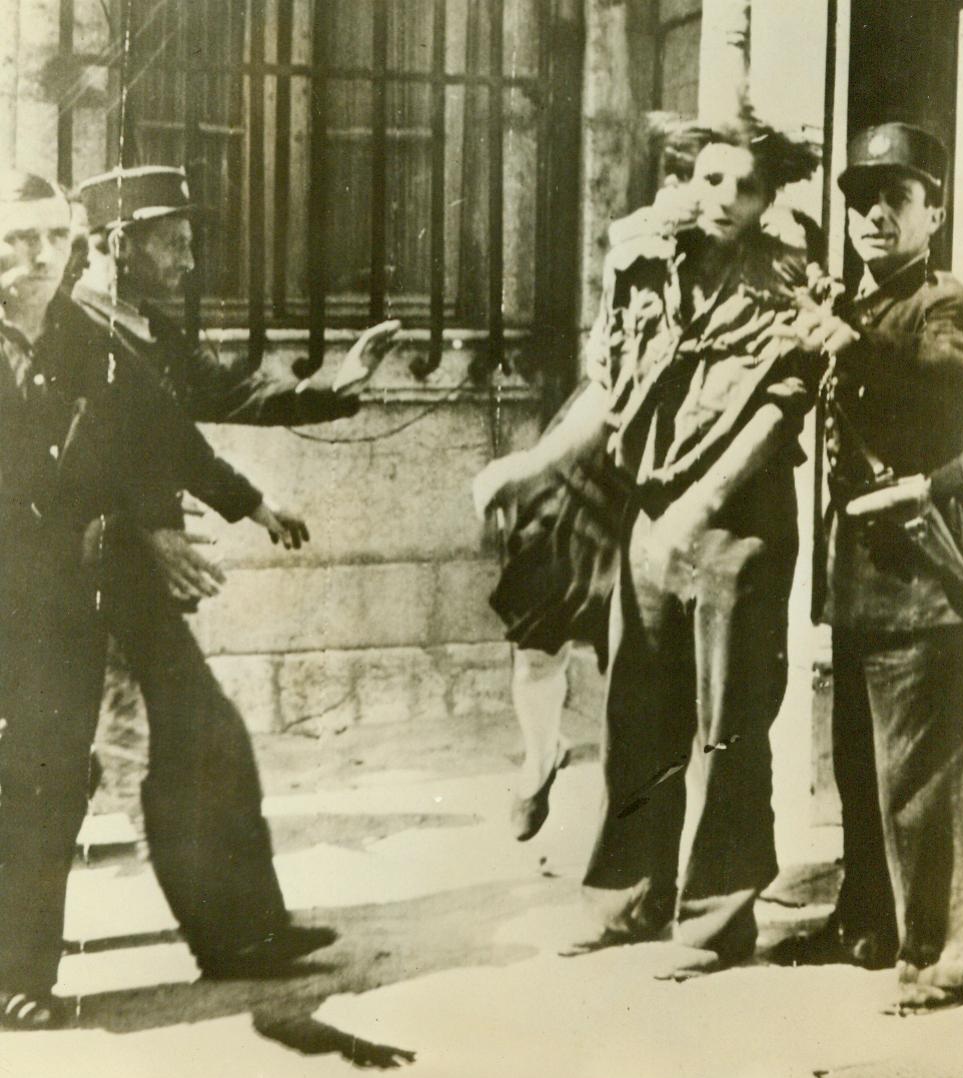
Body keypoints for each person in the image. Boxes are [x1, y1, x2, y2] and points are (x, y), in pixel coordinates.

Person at [478, 109, 822, 972]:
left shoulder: (790, 282)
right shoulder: (643, 269)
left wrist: (700, 508)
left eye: (746, 187)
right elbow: (609, 389)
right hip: (650, 513)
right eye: (711, 180)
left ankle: (716, 920)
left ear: (767, 197)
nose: (726, 200)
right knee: (637, 709)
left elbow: (778, 415)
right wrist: (534, 464)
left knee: (727, 723)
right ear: (685, 179)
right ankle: (625, 900)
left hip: (735, 527)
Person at [71, 165, 397, 979]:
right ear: (118, 245)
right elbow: (68, 467)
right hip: (85, 576)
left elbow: (215, 402)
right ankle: (234, 936)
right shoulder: (74, 331)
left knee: (197, 738)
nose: (186, 260)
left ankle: (246, 933)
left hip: (134, 574)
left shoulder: (141, 328)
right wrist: (146, 532)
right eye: (171, 243)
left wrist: (330, 387)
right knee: (153, 746)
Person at [0, 169, 301, 1027]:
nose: (36, 257)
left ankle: (17, 975)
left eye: (53, 238)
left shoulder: (82, 338)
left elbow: (159, 430)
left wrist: (249, 502)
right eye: (16, 237)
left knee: (46, 779)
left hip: (59, 595)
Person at [773, 122, 963, 1011]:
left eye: (894, 199)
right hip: (859, 572)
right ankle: (864, 921)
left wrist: (848, 343)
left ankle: (943, 953)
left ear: (931, 212)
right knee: (860, 766)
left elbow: (948, 373)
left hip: (924, 573)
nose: (871, 215)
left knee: (921, 776)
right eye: (859, 199)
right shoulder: (852, 305)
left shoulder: (949, 303)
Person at [473, 392, 624, 842]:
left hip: (654, 483)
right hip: (578, 468)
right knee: (538, 640)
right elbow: (606, 381)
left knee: (639, 654)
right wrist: (532, 465)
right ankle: (540, 760)